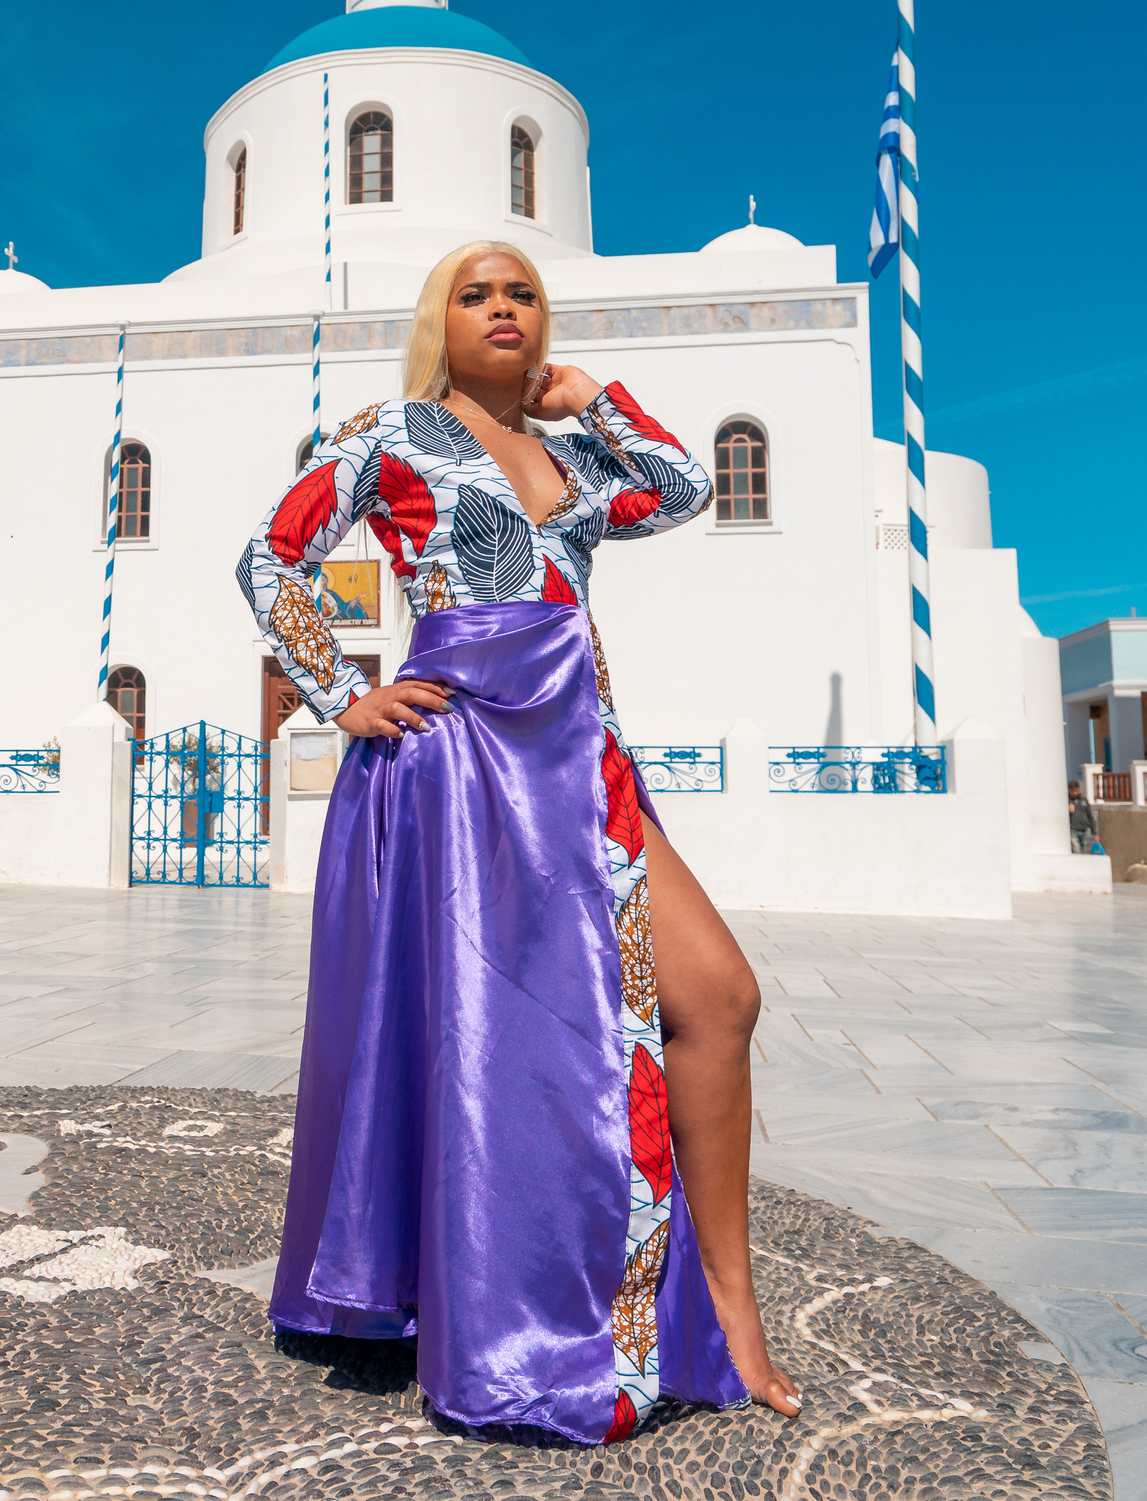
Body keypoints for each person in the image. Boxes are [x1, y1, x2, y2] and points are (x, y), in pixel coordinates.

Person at [238, 240, 803, 1444]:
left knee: (719, 998)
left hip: (583, 754)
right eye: (475, 294)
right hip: (465, 763)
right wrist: (343, 692)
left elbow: (680, 487)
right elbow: (272, 555)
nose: (501, 309)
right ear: (437, 320)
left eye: (523, 295)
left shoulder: (569, 458)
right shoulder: (386, 433)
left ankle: (725, 1310)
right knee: (499, 1048)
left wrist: (592, 398)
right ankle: (501, 1315)